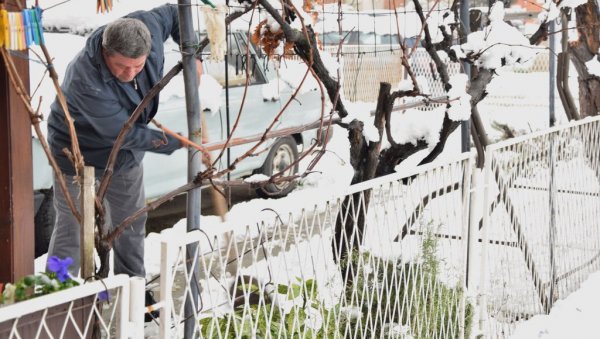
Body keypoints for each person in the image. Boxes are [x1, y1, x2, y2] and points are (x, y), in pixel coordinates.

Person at [46, 4, 202, 279]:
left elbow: (177, 13)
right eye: (121, 66)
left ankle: (132, 292)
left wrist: (194, 56)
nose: (131, 74)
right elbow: (123, 134)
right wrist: (176, 143)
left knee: (130, 224)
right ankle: (59, 295)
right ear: (106, 53)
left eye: (138, 66)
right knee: (73, 227)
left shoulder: (149, 27)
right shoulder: (85, 79)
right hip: (76, 153)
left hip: (123, 157)